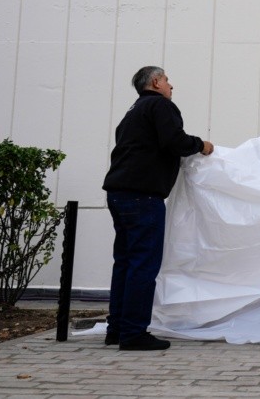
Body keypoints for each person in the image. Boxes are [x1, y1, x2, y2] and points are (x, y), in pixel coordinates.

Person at [102, 66, 214, 350]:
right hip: (142, 197)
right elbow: (174, 141)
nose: (170, 85)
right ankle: (133, 333)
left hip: (119, 192)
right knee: (143, 264)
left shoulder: (132, 113)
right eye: (166, 80)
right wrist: (201, 145)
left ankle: (117, 329)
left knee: (125, 263)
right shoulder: (160, 106)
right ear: (155, 82)